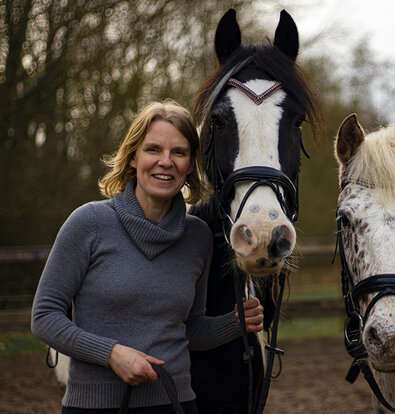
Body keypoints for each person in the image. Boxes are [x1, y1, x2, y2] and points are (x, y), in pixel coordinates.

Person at [31, 100, 264, 414]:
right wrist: (112, 354)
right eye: (153, 149)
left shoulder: (197, 237)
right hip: (96, 407)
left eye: (179, 152)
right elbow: (44, 316)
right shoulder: (88, 223)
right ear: (132, 157)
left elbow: (189, 328)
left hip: (177, 404)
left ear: (192, 164)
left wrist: (235, 323)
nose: (165, 162)